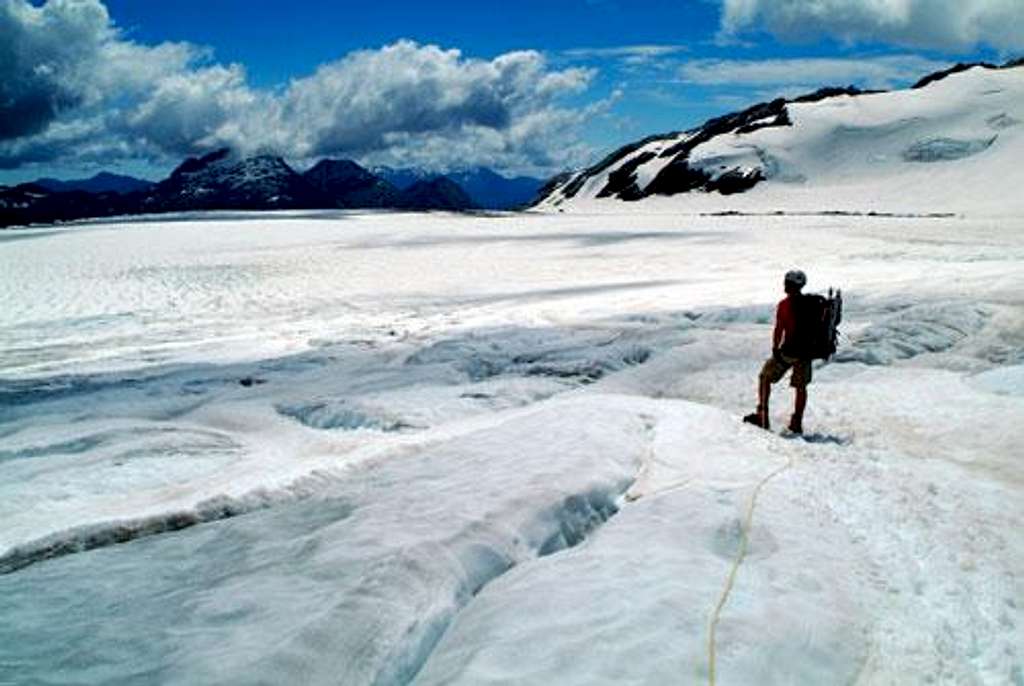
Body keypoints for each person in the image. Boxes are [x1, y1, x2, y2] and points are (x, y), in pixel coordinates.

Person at [744, 270, 812, 434]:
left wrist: (775, 348)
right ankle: (797, 422)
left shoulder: (784, 305)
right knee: (801, 387)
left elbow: (779, 329)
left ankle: (762, 417)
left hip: (789, 351)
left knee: (765, 376)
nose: (784, 285)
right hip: (807, 352)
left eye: (786, 283)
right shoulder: (810, 304)